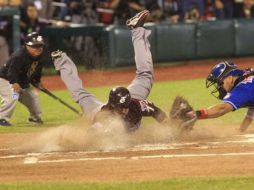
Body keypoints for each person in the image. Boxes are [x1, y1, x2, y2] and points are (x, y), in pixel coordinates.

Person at [51, 10, 168, 131]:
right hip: (96, 111)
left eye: (126, 106)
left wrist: (172, 128)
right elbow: (90, 137)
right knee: (81, 95)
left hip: (125, 103)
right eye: (121, 108)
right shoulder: (103, 118)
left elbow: (157, 113)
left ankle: (137, 28)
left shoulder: (135, 105)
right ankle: (61, 60)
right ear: (112, 107)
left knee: (145, 75)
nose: (124, 110)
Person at [188, 61, 254, 132]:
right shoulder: (248, 80)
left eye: (220, 83)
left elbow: (222, 109)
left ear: (230, 78)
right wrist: (241, 129)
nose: (219, 87)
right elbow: (251, 109)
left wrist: (195, 114)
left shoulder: (242, 89)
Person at [0, 32, 48, 126]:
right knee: (13, 95)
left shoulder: (40, 56)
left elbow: (36, 72)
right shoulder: (19, 56)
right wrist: (14, 83)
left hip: (20, 81)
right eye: (35, 46)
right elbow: (11, 72)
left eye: (40, 46)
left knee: (33, 96)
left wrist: (37, 82)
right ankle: (2, 118)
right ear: (27, 46)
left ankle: (34, 118)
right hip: (5, 80)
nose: (38, 48)